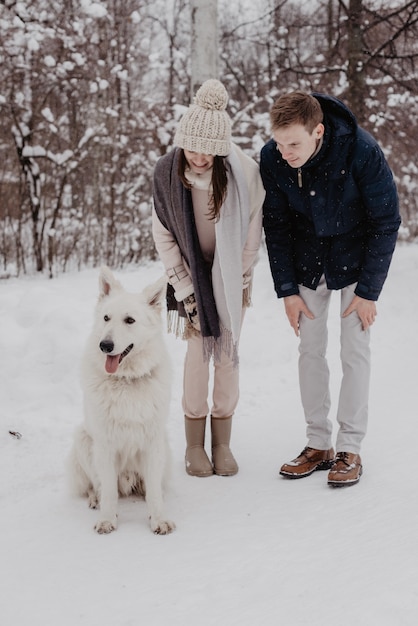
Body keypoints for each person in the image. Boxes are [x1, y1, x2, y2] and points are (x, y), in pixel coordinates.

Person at [260, 90, 400, 487]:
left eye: (295, 143)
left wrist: (369, 291)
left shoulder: (360, 150)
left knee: (354, 349)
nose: (286, 152)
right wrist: (287, 290)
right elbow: (277, 224)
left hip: (356, 262)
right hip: (307, 263)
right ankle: (317, 443)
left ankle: (350, 448)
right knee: (310, 349)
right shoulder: (272, 158)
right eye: (279, 142)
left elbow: (386, 221)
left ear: (317, 131)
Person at [152, 79, 265, 477]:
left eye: (209, 150)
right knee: (199, 357)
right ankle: (193, 445)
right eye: (193, 147)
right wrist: (188, 291)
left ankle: (223, 443)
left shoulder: (243, 175)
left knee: (227, 356)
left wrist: (236, 282)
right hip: (190, 279)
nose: (199, 157)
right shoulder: (167, 174)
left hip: (233, 279)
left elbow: (251, 238)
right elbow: (164, 236)